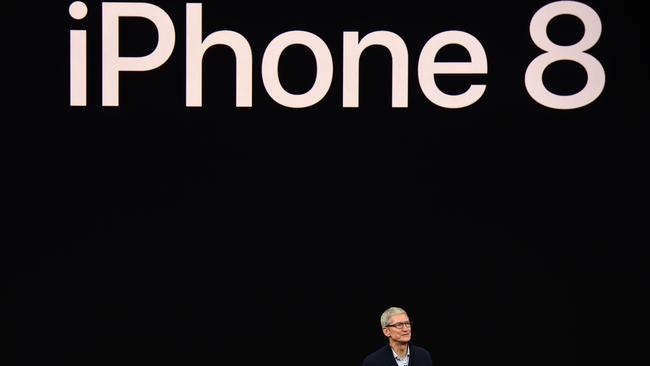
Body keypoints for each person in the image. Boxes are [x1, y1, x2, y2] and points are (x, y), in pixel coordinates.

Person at [361, 307, 432, 366]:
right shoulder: (372, 362)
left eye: (407, 323)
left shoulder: (423, 356)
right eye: (399, 325)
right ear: (386, 331)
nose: (405, 329)